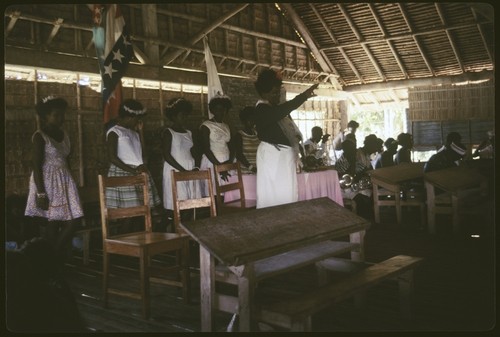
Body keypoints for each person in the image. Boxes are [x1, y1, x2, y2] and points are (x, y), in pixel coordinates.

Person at [24, 96, 83, 263]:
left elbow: (67, 160)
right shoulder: (39, 136)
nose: (60, 118)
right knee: (53, 220)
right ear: (45, 116)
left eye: (62, 115)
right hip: (47, 181)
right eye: (56, 115)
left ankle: (52, 256)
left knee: (74, 220)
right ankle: (52, 261)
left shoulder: (64, 134)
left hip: (64, 180)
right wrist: (41, 193)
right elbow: (36, 165)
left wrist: (71, 183)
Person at [253, 68, 318, 208]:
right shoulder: (262, 110)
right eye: (275, 93)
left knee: (287, 194)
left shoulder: (272, 108)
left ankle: (286, 220)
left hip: (282, 159)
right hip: (272, 158)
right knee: (272, 195)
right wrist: (304, 96)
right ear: (264, 93)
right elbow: (284, 109)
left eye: (279, 92)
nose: (278, 96)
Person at [105, 99, 161, 209]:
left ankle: (139, 227)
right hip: (123, 172)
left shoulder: (134, 132)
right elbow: (112, 157)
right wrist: (133, 171)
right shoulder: (114, 132)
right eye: (137, 119)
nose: (138, 121)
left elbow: (143, 154)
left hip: (138, 171)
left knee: (141, 209)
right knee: (130, 211)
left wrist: (141, 132)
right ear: (128, 117)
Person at [161, 97, 201, 213]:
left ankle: (187, 227)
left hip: (189, 169)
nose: (185, 118)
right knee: (178, 202)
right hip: (176, 169)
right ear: (173, 116)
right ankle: (176, 227)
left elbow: (194, 152)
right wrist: (182, 171)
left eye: (186, 115)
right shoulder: (169, 132)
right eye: (182, 115)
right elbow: (167, 155)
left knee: (190, 202)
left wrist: (196, 167)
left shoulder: (189, 133)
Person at [199, 94, 234, 194]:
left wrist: (229, 162)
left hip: (226, 161)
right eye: (217, 109)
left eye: (222, 109)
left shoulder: (226, 126)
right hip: (213, 162)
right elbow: (206, 148)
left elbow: (231, 146)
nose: (220, 112)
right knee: (215, 192)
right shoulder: (206, 126)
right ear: (212, 110)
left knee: (228, 192)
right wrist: (219, 167)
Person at [234, 106, 260, 174]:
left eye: (254, 119)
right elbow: (239, 155)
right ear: (244, 120)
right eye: (250, 119)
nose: (252, 121)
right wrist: (251, 167)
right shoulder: (239, 135)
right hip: (245, 172)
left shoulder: (257, 134)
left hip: (258, 171)